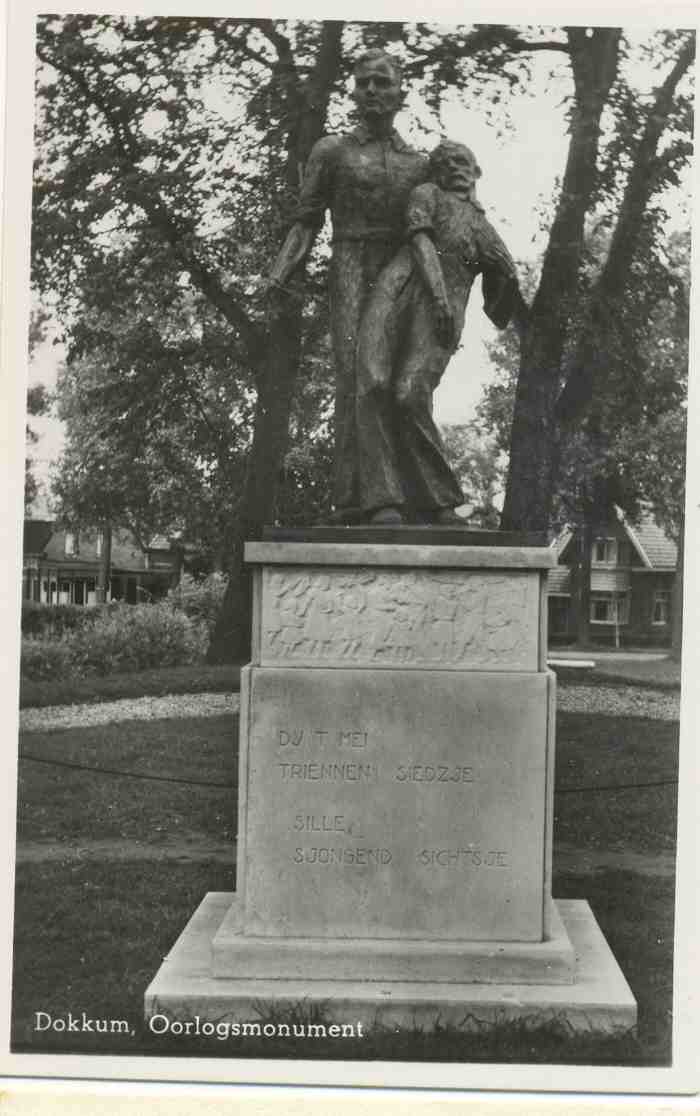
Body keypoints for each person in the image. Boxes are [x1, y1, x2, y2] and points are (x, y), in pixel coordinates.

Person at [268, 49, 427, 520]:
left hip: (403, 272)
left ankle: (410, 495)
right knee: (359, 379)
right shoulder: (332, 151)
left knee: (402, 381)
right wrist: (280, 273)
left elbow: (442, 226)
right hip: (352, 266)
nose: (373, 92)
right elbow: (306, 221)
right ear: (352, 92)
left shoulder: (419, 165)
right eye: (364, 83)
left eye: (382, 82)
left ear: (402, 92)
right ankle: (364, 498)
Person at [354, 139, 525, 524]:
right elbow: (420, 240)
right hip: (398, 290)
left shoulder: (482, 226)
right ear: (437, 171)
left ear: (477, 171)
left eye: (464, 161)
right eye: (447, 162)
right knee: (373, 383)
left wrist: (504, 280)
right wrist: (440, 297)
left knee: (410, 392)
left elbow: (502, 296)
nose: (456, 167)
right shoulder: (426, 193)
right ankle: (383, 500)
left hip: (441, 316)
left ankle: (442, 499)